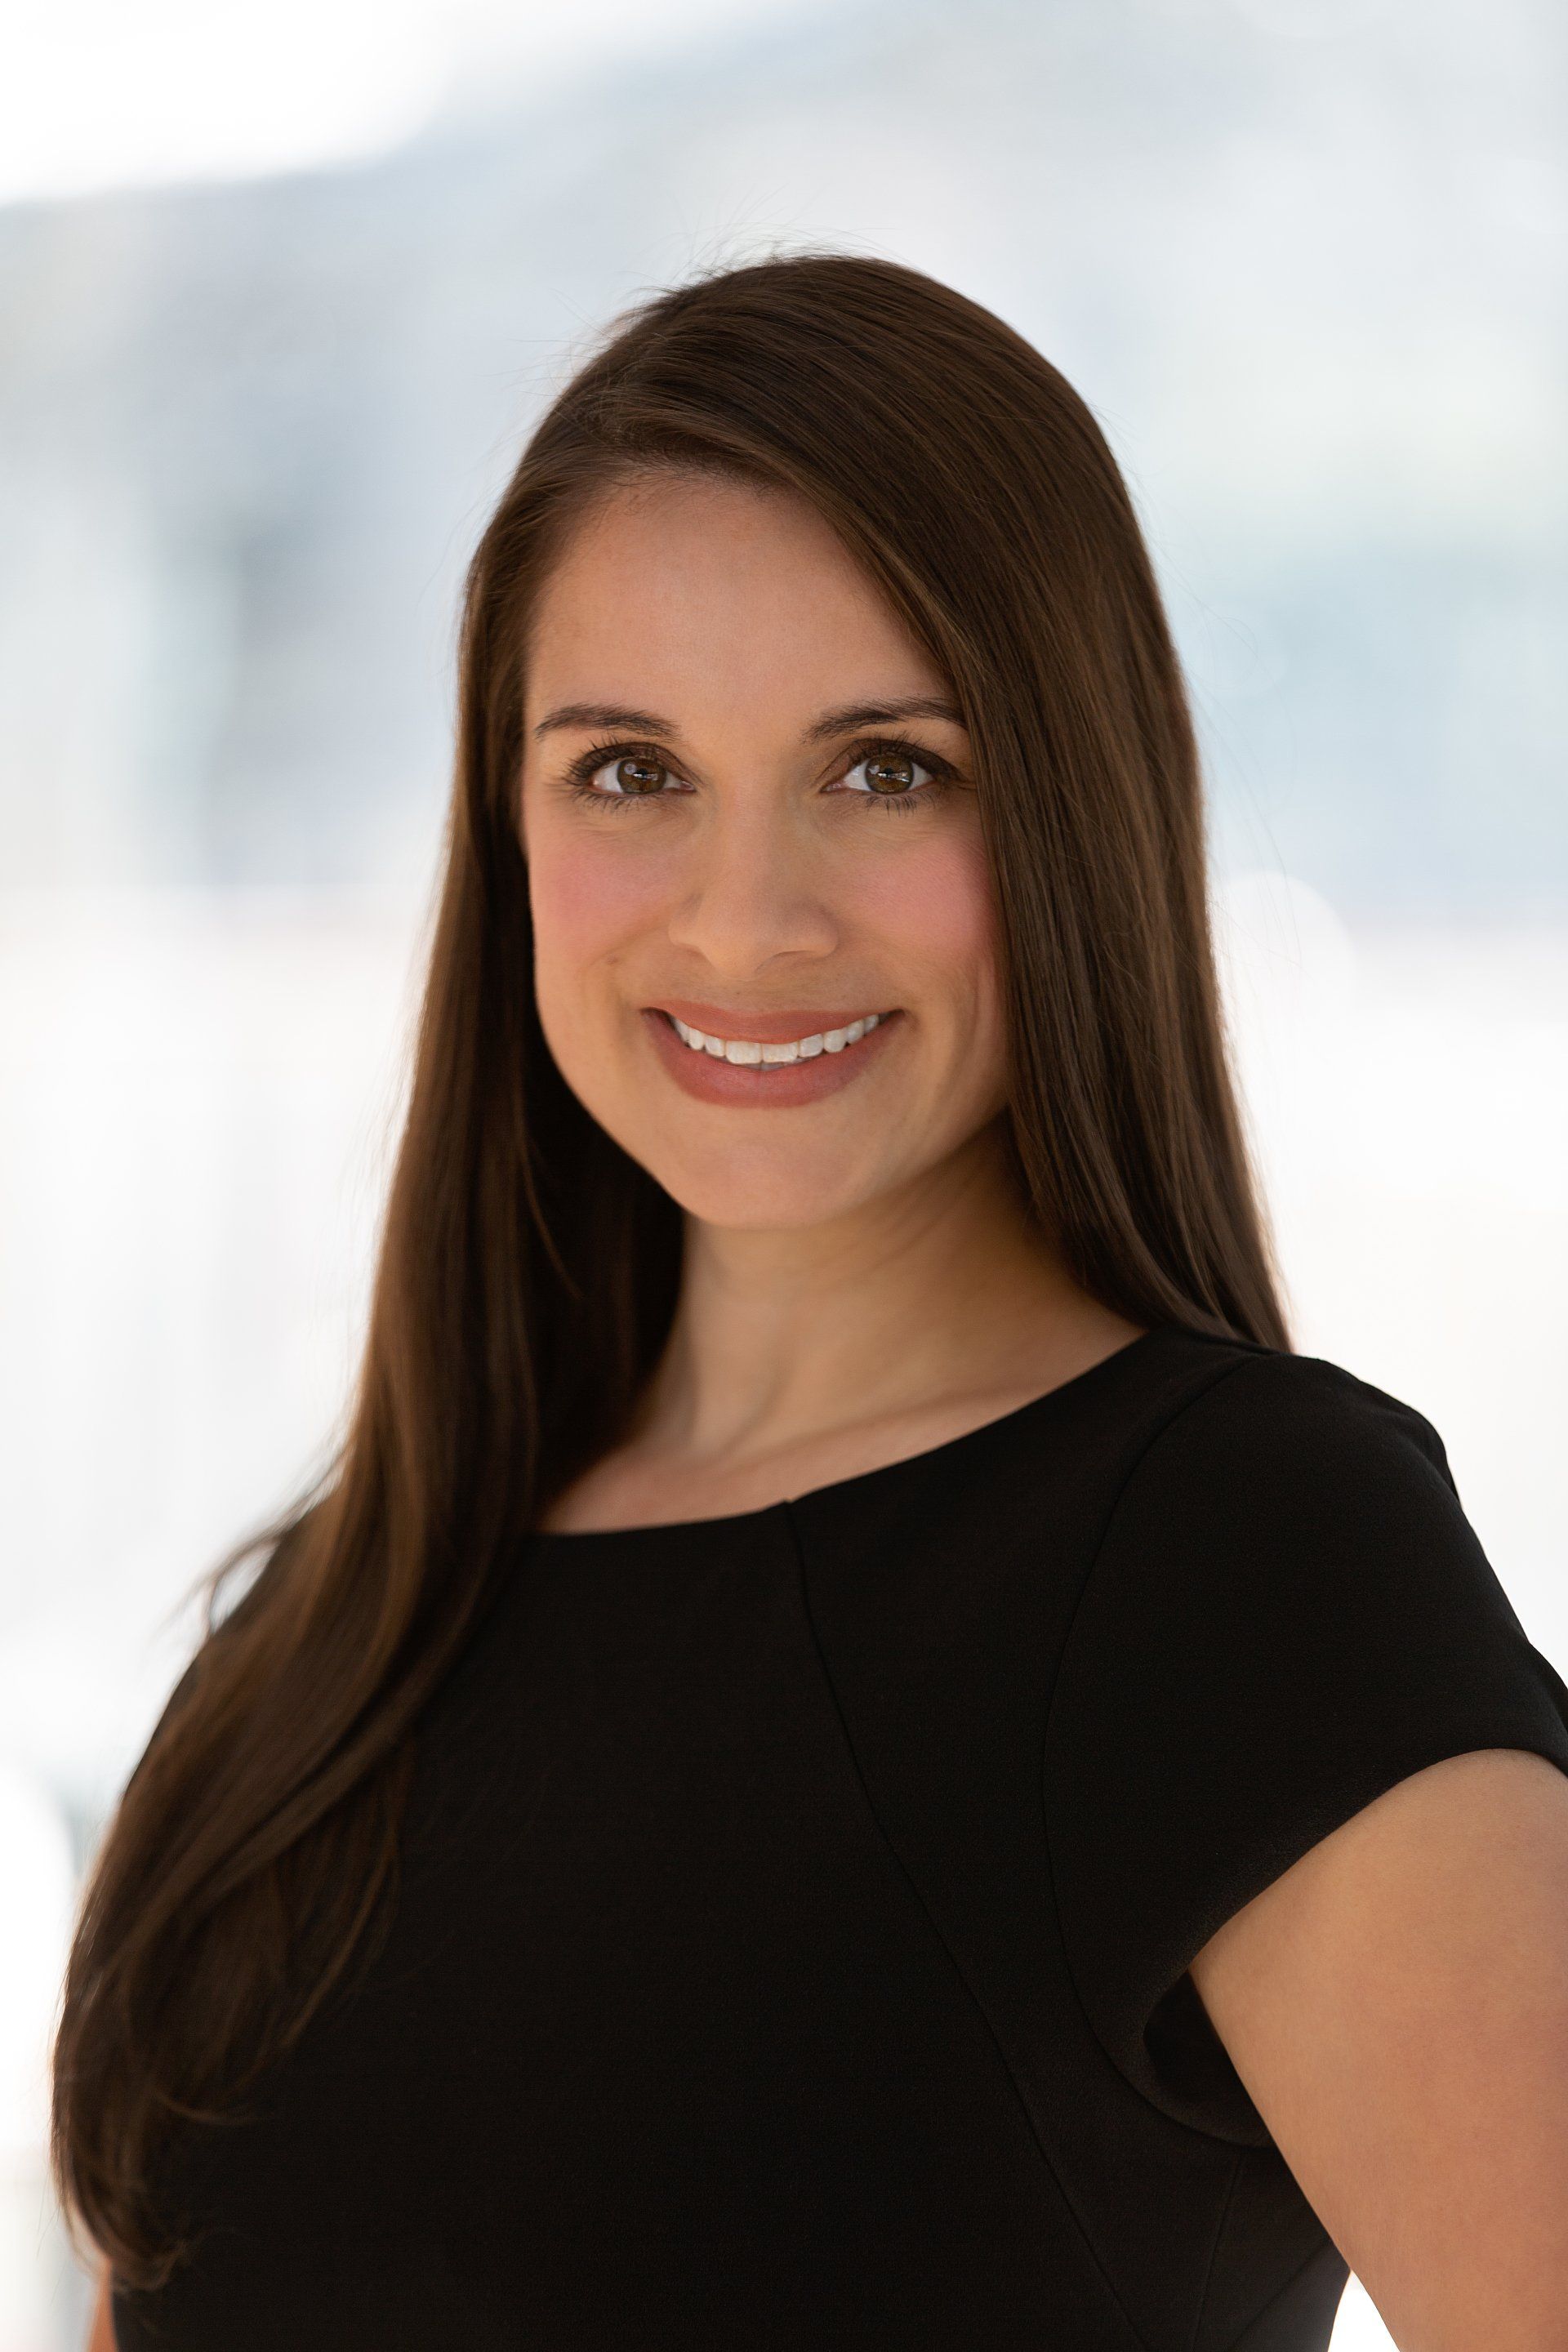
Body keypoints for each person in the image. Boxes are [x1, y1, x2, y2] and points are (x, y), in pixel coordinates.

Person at [60, 253, 1568, 2352]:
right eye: (629, 770)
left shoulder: (1239, 1570)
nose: (746, 918)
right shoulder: (314, 1656)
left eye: (885, 769)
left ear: (1068, 812)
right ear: (507, 825)